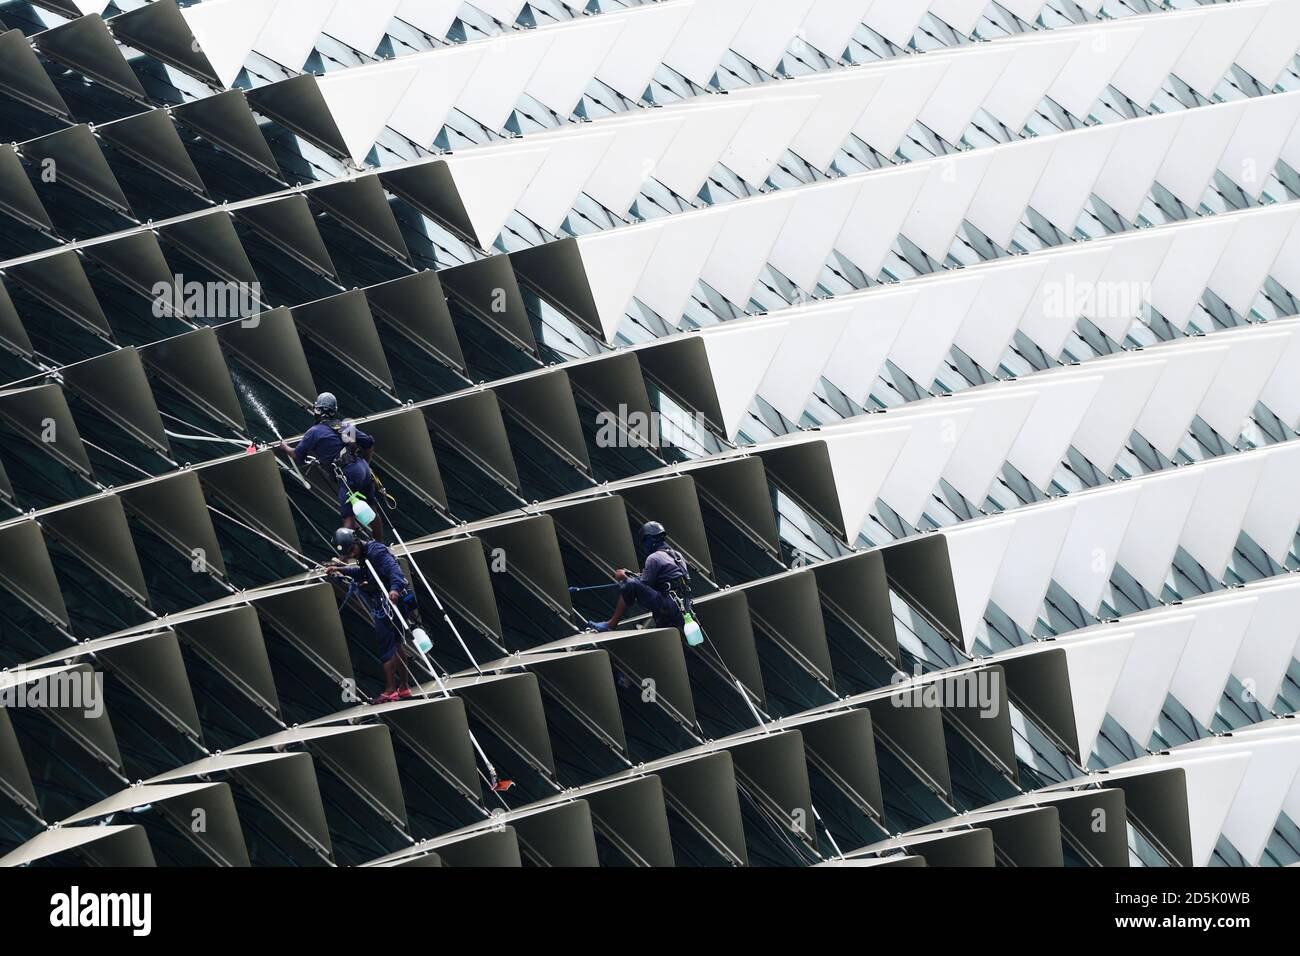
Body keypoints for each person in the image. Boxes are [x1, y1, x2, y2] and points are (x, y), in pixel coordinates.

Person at [327, 527, 415, 704]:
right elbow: (364, 573)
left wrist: (394, 590)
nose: (351, 554)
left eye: (351, 550)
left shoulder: (376, 552)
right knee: (396, 644)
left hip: (391, 602)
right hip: (389, 602)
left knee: (386, 645)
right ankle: (404, 688)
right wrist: (341, 570)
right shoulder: (364, 554)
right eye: (348, 553)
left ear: (356, 541)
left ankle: (390, 690)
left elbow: (395, 572)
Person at [279, 392, 382, 539]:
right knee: (372, 509)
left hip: (348, 474)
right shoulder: (345, 425)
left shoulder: (313, 432)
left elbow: (297, 455)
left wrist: (284, 447)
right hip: (362, 467)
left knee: (348, 518)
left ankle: (345, 555)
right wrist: (366, 464)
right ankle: (380, 544)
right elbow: (369, 444)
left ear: (317, 410)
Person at [587, 521, 692, 633]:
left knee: (629, 584)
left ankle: (611, 624)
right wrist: (634, 575)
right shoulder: (676, 555)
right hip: (684, 606)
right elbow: (666, 578)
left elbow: (644, 584)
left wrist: (624, 577)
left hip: (668, 605)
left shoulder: (654, 558)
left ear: (649, 540)